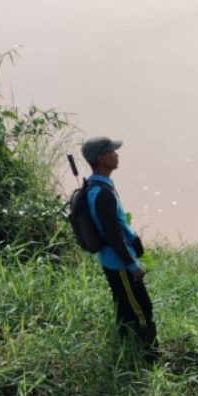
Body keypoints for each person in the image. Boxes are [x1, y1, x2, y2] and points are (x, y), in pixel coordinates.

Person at [82, 136, 158, 363]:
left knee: (124, 304)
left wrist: (133, 237)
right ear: (100, 158)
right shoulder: (102, 194)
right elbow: (112, 236)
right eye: (112, 152)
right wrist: (133, 266)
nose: (117, 154)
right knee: (141, 308)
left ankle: (125, 346)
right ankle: (150, 355)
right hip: (119, 262)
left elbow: (117, 225)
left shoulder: (100, 186)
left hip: (113, 259)